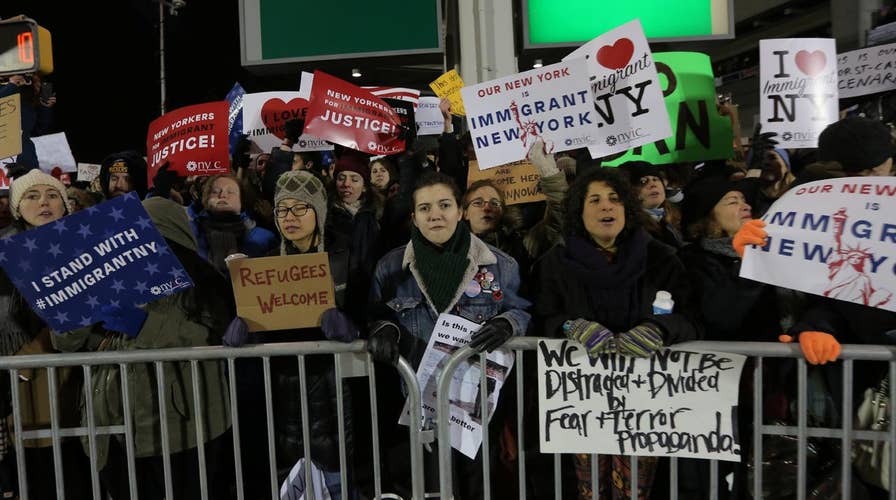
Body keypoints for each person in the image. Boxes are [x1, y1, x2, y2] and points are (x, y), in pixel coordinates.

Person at [531, 167, 702, 499]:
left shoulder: (662, 258)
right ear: (579, 212)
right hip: (581, 407)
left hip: (647, 408)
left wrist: (660, 329)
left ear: (627, 208)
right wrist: (569, 326)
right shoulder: (554, 264)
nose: (605, 207)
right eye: (594, 200)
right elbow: (542, 316)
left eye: (614, 199)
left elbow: (692, 317)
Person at [51, 196, 235, 500]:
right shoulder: (106, 277)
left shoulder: (202, 285)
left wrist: (144, 325)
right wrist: (82, 311)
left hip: (179, 432)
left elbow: (209, 337)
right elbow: (64, 341)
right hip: (112, 431)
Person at [366, 171, 531, 499]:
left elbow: (524, 310)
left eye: (444, 205)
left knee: (477, 486)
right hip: (417, 403)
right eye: (425, 208)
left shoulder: (501, 266)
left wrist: (509, 323)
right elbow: (376, 315)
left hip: (476, 407)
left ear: (460, 210)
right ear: (414, 216)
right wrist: (382, 329)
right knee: (429, 488)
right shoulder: (391, 267)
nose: (435, 214)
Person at [224, 170, 358, 499]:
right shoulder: (265, 266)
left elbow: (368, 310)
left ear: (319, 212)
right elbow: (267, 325)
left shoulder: (345, 257)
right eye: (283, 209)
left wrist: (351, 326)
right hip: (284, 398)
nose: (290, 217)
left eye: (300, 208)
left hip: (335, 392)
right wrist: (246, 327)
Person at [0, 169, 90, 499]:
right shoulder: (2, 253)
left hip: (79, 377)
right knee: (38, 472)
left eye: (52, 195)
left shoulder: (85, 246)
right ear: (16, 206)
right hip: (24, 382)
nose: (44, 202)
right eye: (32, 196)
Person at [325, 149, 381, 323]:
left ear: (364, 186)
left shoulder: (378, 216)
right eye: (341, 178)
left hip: (369, 300)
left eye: (354, 179)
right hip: (335, 302)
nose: (346, 184)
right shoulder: (324, 216)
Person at [187, 173, 279, 274]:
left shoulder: (264, 238)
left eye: (230, 192)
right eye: (215, 191)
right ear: (206, 199)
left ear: (241, 200)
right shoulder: (190, 235)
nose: (222, 195)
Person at [622, 161, 684, 249]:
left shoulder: (673, 217)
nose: (653, 185)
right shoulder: (631, 230)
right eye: (643, 181)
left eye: (656, 179)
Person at [0, 74, 56, 170]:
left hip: (24, 160)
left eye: (39, 84)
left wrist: (45, 108)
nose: (37, 87)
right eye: (33, 81)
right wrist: (12, 85)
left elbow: (38, 130)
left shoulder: (29, 106)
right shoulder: (7, 90)